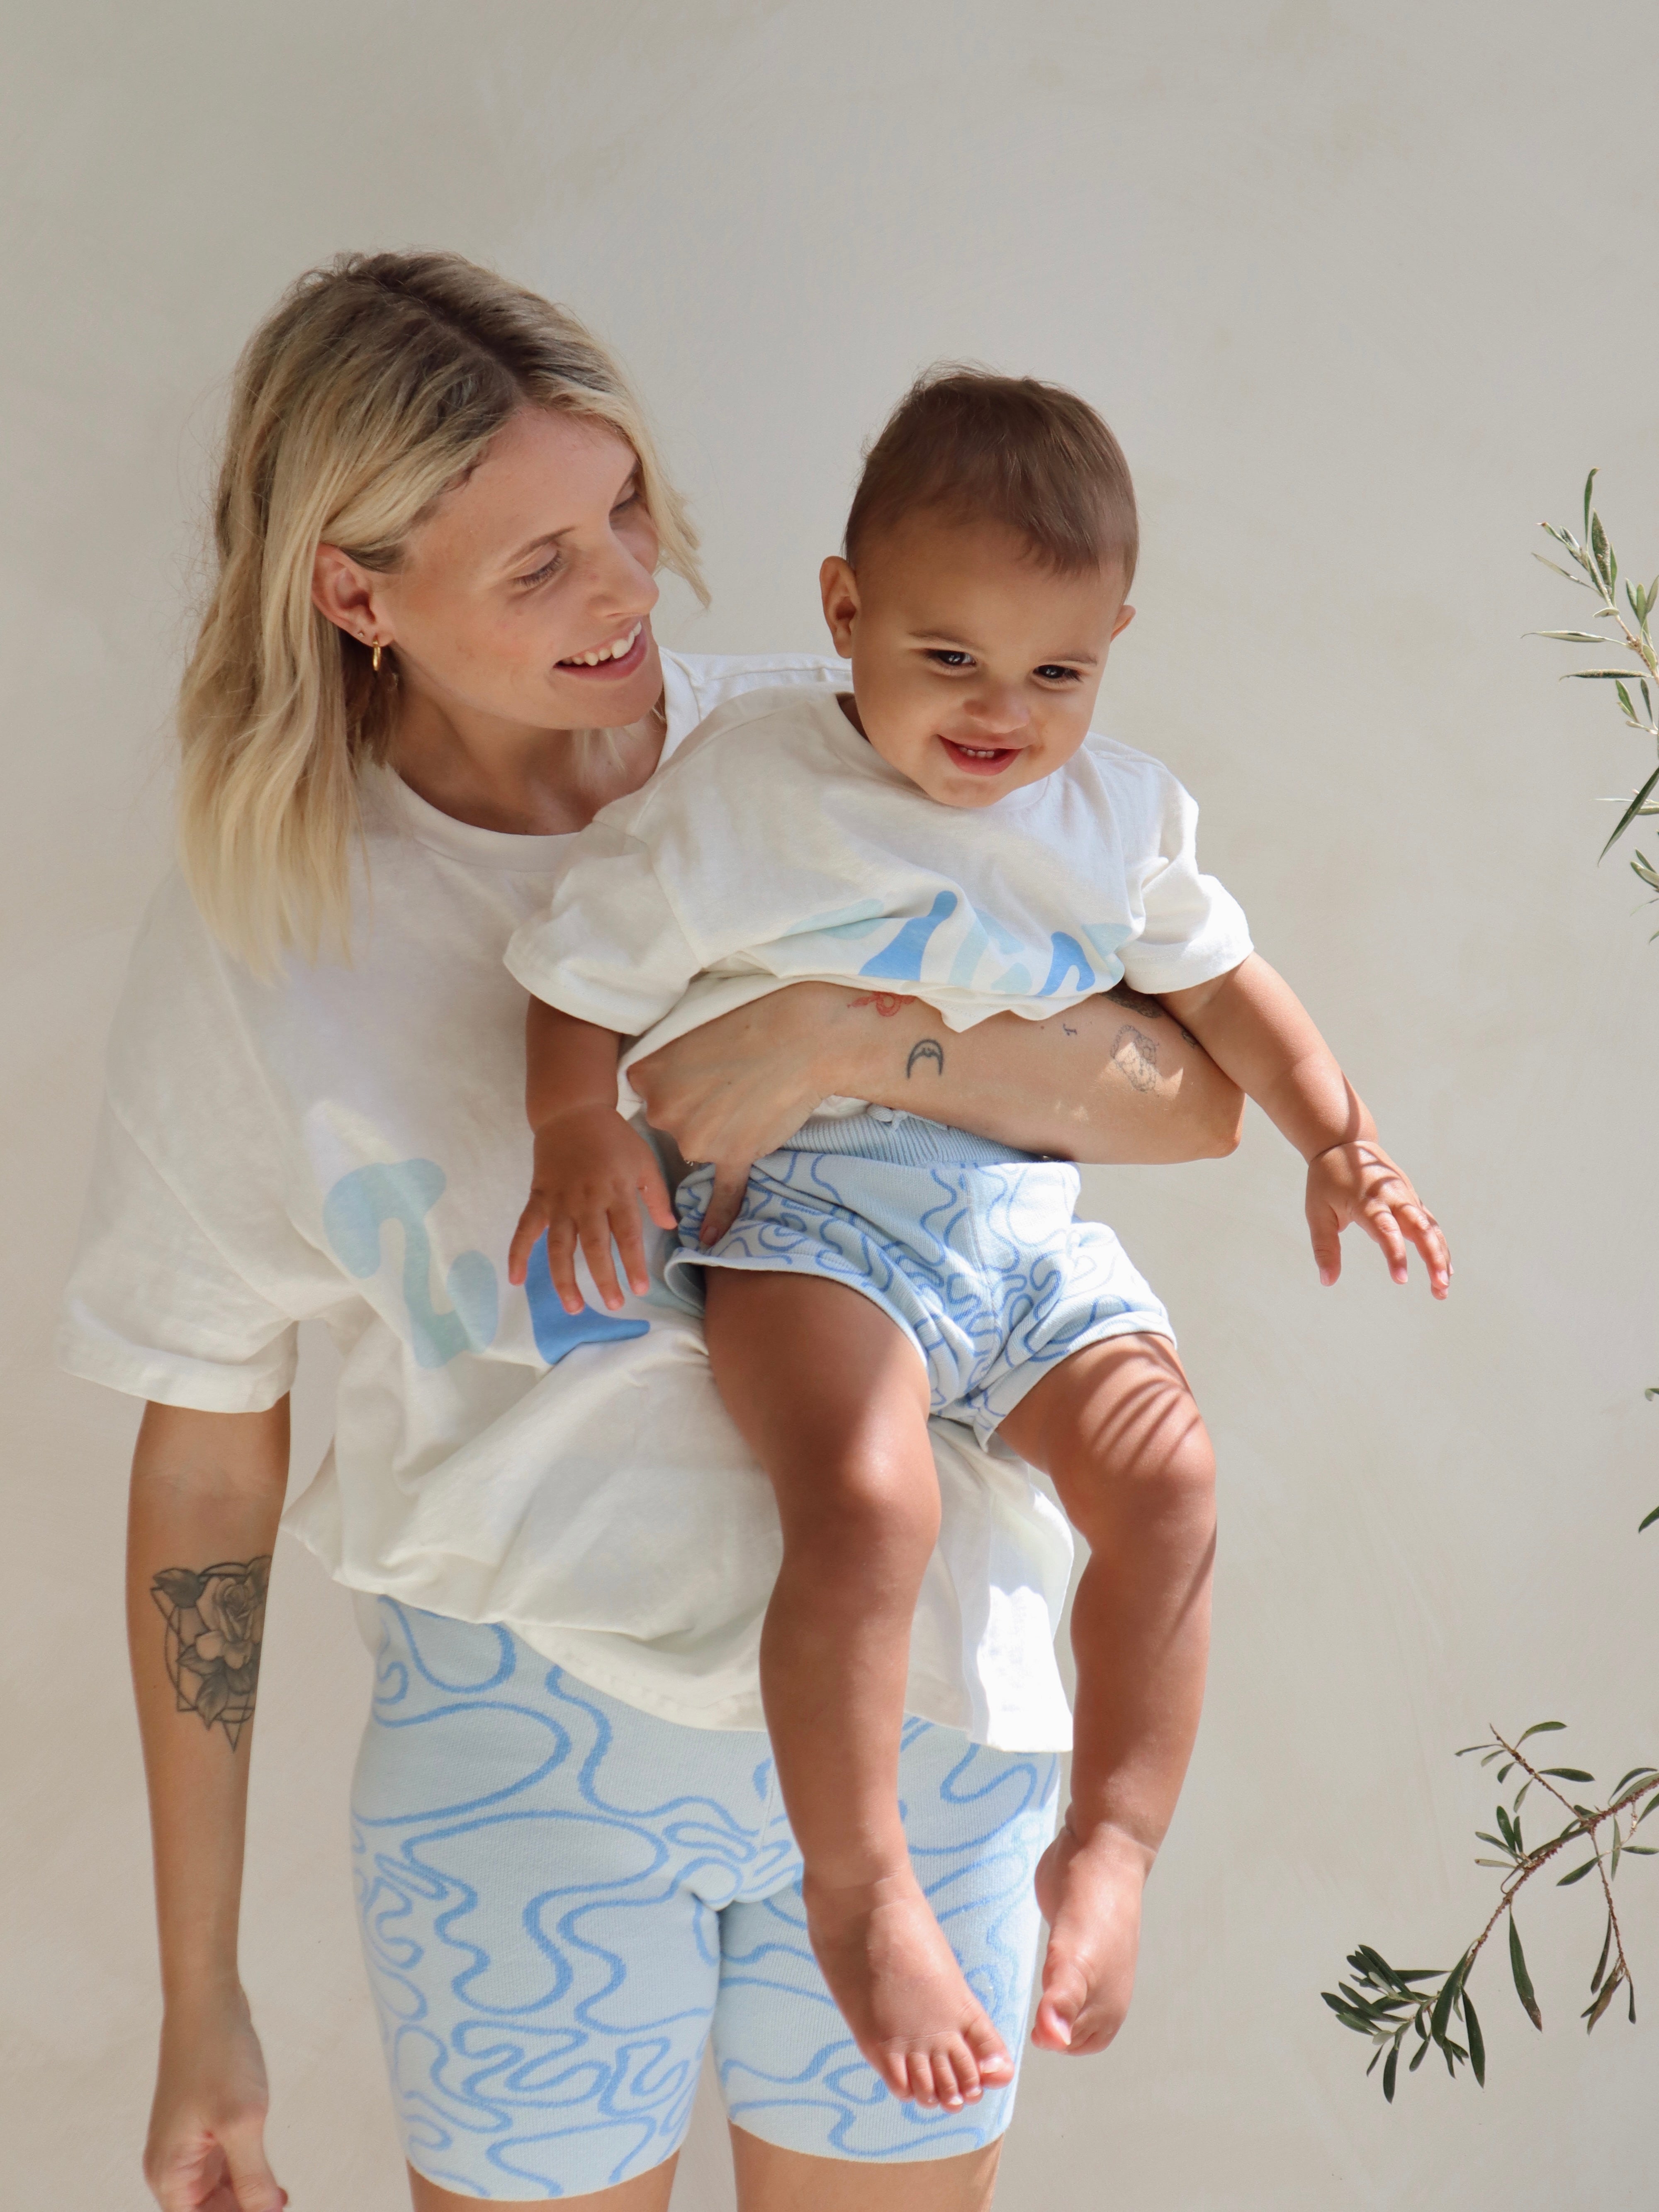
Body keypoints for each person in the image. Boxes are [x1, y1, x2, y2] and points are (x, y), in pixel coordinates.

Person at [60, 252, 1246, 2212]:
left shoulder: (850, 748)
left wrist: (857, 1038)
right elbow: (204, 1455)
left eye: (621, 508)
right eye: (534, 564)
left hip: (924, 1710)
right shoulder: (271, 937)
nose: (624, 587)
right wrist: (201, 1987)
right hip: (520, 1765)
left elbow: (1201, 1096)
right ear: (356, 595)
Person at [506, 369, 1452, 2113]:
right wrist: (576, 1131)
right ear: (843, 610)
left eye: (1057, 673)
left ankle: (1113, 1836)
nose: (1002, 714)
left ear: (1114, 644)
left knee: (1169, 1484)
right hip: (810, 1216)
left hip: (1021, 1217)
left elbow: (1227, 996)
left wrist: (1343, 1139)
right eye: (948, 659)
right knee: (869, 1500)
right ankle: (858, 1880)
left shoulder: (1121, 818)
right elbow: (576, 967)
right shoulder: (749, 795)